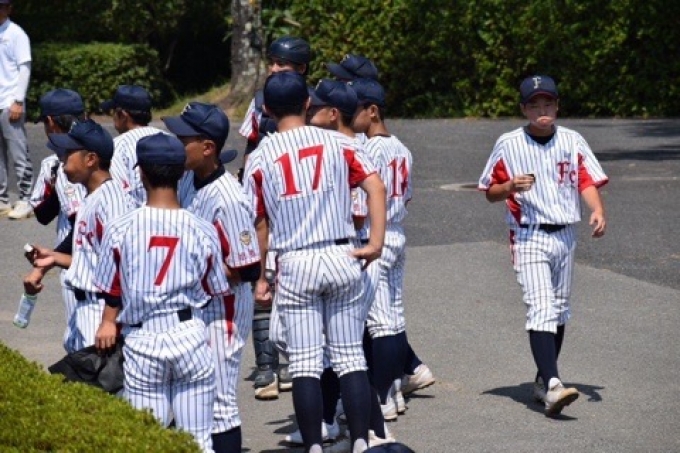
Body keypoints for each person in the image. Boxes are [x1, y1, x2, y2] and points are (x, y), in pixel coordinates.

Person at [243, 71, 387, 453]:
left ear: (267, 109)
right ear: (308, 103)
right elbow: (375, 186)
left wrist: (261, 278)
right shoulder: (338, 142)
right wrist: (375, 243)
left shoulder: (259, 157)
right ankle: (361, 442)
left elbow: (259, 225)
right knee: (350, 357)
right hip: (341, 253)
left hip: (295, 261)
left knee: (305, 363)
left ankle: (314, 447)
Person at [477, 75, 608, 416]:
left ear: (557, 105)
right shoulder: (508, 143)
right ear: (524, 109)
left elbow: (586, 180)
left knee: (559, 309)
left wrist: (597, 209)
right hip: (528, 234)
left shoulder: (572, 140)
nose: (542, 109)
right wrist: (509, 187)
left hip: (565, 234)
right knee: (541, 307)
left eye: (548, 102)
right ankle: (552, 383)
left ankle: (542, 379)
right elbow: (490, 191)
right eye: (534, 104)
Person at [93, 132, 229, 453]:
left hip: (143, 340)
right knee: (198, 441)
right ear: (182, 172)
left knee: (147, 443)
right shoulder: (201, 228)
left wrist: (108, 321)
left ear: (141, 172)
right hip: (189, 334)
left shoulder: (120, 228)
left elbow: (111, 289)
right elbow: (215, 288)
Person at [163, 102, 260, 453]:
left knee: (218, 401)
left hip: (224, 311)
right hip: (197, 306)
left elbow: (248, 268)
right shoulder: (188, 179)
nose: (176, 145)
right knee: (188, 396)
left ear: (207, 147)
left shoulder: (229, 199)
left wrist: (197, 269)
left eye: (183, 139)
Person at [238, 35, 312, 400]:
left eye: (281, 64)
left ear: (301, 68)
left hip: (301, 201)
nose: (273, 68)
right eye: (272, 62)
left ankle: (295, 363)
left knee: (295, 287)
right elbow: (250, 147)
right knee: (262, 279)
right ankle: (267, 366)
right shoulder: (259, 102)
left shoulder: (312, 102)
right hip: (265, 188)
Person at [23, 119, 135, 352]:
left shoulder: (110, 201)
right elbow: (93, 260)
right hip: (86, 307)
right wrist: (54, 258)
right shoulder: (92, 197)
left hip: (101, 310)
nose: (62, 158)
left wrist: (109, 320)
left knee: (98, 376)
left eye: (69, 152)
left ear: (90, 159)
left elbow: (122, 264)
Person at [350, 78, 419, 421]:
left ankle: (381, 398)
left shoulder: (368, 150)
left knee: (379, 324)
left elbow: (361, 204)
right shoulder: (402, 148)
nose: (350, 117)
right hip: (396, 231)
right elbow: (407, 197)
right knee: (392, 318)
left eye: (355, 110)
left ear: (372, 111)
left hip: (373, 236)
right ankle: (393, 394)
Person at [26, 88, 87, 353]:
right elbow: (44, 214)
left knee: (81, 343)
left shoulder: (64, 163)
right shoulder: (104, 152)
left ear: (50, 122)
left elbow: (78, 223)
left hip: (76, 261)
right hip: (110, 260)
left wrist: (50, 260)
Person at [102, 84, 164, 206]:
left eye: (114, 112)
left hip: (135, 216)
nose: (113, 117)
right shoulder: (168, 139)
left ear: (123, 116)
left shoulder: (116, 147)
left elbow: (118, 196)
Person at [0, 0, 33, 219]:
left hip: (10, 102)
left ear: (9, 8)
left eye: (1, 6)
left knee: (19, 153)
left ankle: (26, 199)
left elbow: (24, 68)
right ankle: (2, 199)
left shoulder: (16, 34)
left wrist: (18, 100)